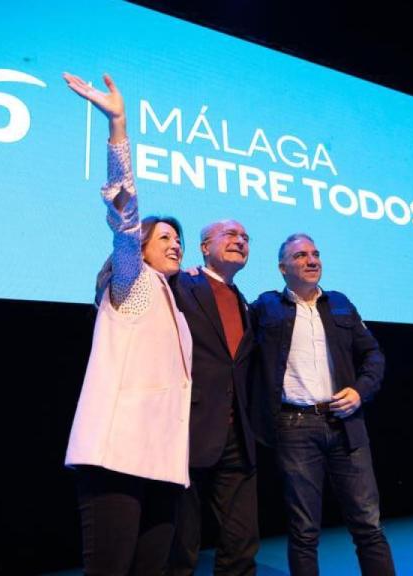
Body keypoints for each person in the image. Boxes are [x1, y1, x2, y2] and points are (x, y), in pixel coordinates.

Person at [63, 72, 193, 575]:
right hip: (116, 461)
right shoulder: (134, 283)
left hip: (161, 466)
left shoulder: (173, 305)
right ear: (138, 252)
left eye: (177, 240)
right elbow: (125, 216)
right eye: (164, 239)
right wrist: (118, 124)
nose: (174, 244)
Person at [250, 233, 395, 575]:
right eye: (301, 256)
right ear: (282, 268)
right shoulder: (265, 306)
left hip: (347, 425)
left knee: (368, 525)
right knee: (304, 531)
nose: (312, 260)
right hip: (295, 428)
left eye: (315, 254)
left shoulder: (340, 303)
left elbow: (373, 353)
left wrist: (360, 390)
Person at [168, 220, 259, 576]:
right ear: (205, 248)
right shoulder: (181, 283)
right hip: (189, 431)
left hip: (238, 436)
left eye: (245, 237)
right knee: (180, 544)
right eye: (231, 235)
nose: (240, 241)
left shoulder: (247, 304)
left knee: (241, 543)